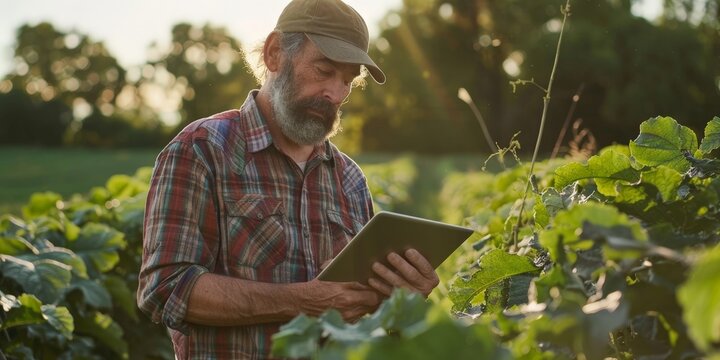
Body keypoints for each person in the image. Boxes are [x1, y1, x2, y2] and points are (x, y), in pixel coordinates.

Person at [136, 0, 439, 358]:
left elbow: (360, 316)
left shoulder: (349, 179)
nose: (336, 94)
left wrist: (400, 299)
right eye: (324, 70)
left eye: (347, 80)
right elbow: (165, 288)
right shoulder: (201, 150)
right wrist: (303, 301)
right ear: (275, 53)